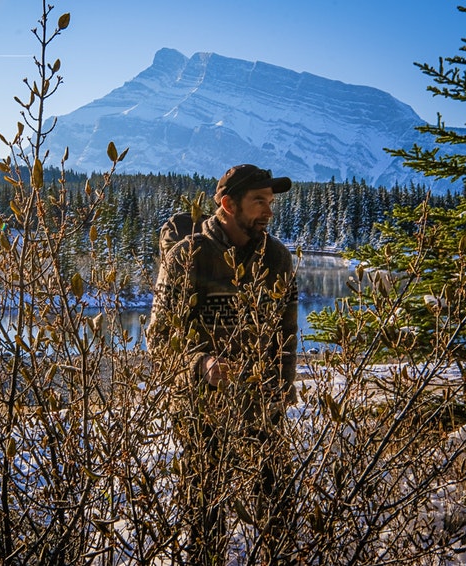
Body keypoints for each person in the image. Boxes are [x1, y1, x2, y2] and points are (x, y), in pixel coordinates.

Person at [147, 163, 298, 564]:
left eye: (271, 202)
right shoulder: (187, 257)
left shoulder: (277, 258)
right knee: (205, 515)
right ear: (227, 204)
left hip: (259, 407)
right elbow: (158, 338)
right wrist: (201, 362)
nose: (268, 211)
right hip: (200, 409)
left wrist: (282, 388)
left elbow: (286, 336)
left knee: (279, 507)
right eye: (259, 202)